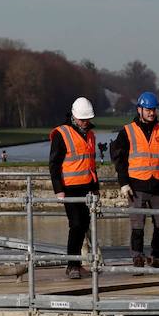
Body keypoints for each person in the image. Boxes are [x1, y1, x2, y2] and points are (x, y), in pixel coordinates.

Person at [110, 91, 159, 267]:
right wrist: (123, 183)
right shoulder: (128, 131)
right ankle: (137, 257)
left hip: (157, 185)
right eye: (147, 109)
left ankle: (157, 256)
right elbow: (119, 159)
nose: (151, 113)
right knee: (138, 226)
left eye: (153, 109)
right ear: (139, 109)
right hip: (136, 185)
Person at [48, 97, 99, 279]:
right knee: (75, 224)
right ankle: (72, 265)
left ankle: (76, 263)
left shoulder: (90, 135)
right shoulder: (62, 134)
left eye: (87, 119)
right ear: (74, 116)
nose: (85, 122)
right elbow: (54, 164)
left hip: (86, 187)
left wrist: (95, 188)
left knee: (84, 224)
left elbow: (91, 163)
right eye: (82, 119)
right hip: (69, 188)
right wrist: (58, 189)